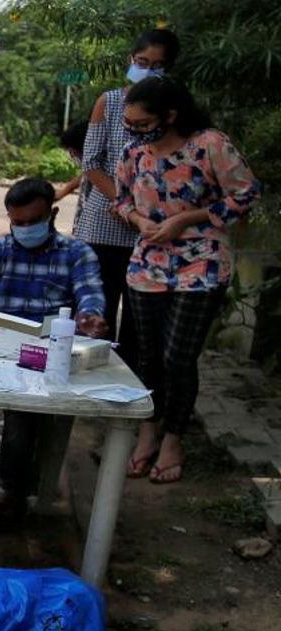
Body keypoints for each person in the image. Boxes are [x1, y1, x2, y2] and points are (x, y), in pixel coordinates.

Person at [115, 77, 260, 485]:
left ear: (170, 116)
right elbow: (122, 199)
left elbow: (246, 194)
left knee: (178, 357)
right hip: (147, 264)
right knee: (147, 356)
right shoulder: (133, 152)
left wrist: (186, 219)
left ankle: (173, 439)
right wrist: (139, 219)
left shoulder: (209, 144)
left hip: (202, 264)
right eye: (131, 123)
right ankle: (147, 431)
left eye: (143, 124)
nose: (135, 131)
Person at [0, 178, 107, 529]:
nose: (25, 230)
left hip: (41, 353)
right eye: (17, 223)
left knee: (21, 412)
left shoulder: (77, 254)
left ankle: (14, 497)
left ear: (53, 214)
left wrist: (90, 316)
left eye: (33, 222)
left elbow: (90, 295)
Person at [78, 28, 181, 352]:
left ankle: (134, 392)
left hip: (153, 230)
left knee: (141, 325)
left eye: (157, 65)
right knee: (98, 315)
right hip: (104, 224)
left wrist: (140, 216)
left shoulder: (175, 113)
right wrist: (126, 206)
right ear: (130, 60)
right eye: (142, 61)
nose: (147, 70)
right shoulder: (108, 103)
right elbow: (91, 162)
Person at [54, 121, 88, 203]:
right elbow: (86, 174)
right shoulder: (90, 173)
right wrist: (64, 191)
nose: (72, 156)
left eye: (73, 152)